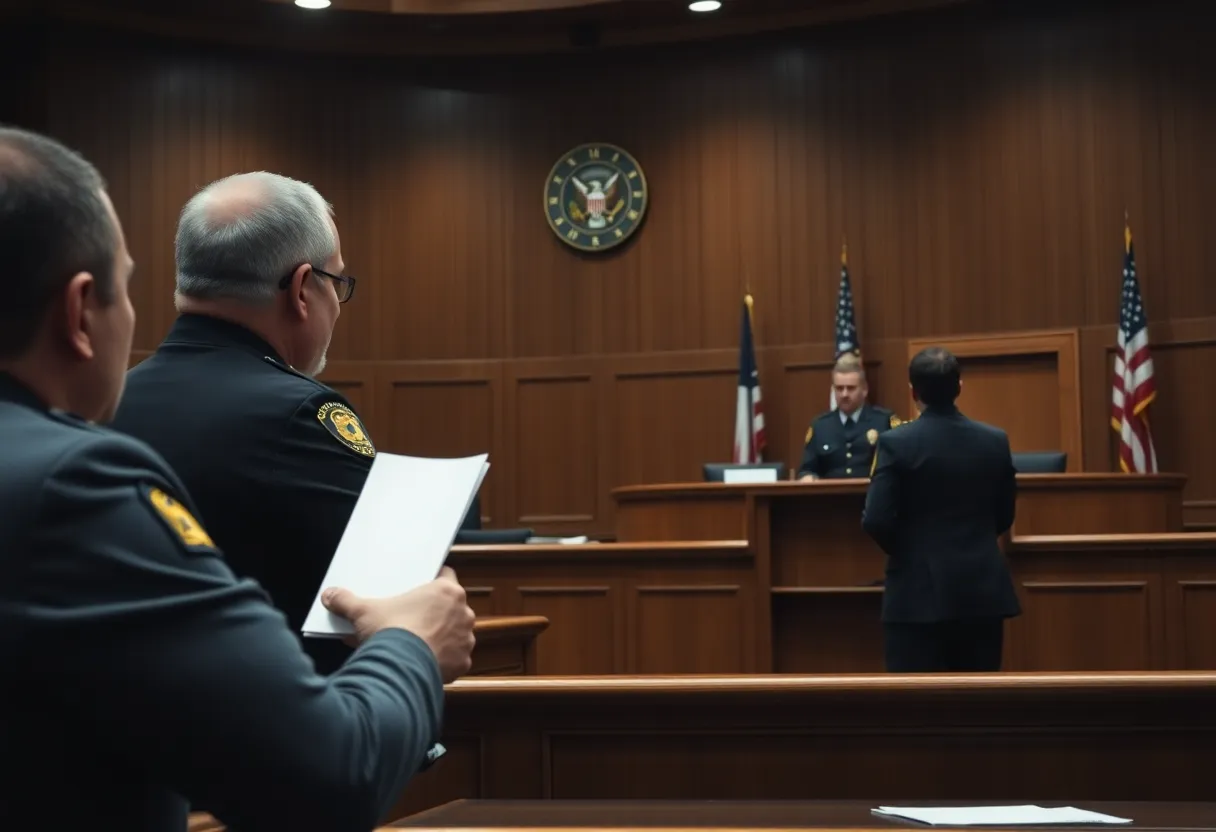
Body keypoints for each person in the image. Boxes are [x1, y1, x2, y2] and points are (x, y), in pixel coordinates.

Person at [0, 126, 475, 831]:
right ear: (78, 312)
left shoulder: (98, 428)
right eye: (123, 287)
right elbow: (330, 775)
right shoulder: (80, 482)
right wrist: (408, 644)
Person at [111, 171, 376, 674]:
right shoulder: (305, 416)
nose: (338, 309)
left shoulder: (104, 404)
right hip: (277, 731)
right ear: (302, 287)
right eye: (337, 282)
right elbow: (374, 603)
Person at [861, 346, 1021, 673]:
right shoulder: (995, 441)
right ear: (959, 387)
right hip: (981, 594)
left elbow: (876, 519)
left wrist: (908, 551)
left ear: (913, 392)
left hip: (915, 595)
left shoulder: (896, 443)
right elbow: (1004, 515)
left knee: (915, 711)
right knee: (978, 707)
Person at [797, 355, 900, 480]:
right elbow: (807, 469)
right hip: (830, 497)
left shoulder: (884, 421)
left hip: (872, 496)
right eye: (839, 388)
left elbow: (899, 464)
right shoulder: (820, 426)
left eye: (851, 388)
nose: (844, 394)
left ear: (865, 389)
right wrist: (808, 477)